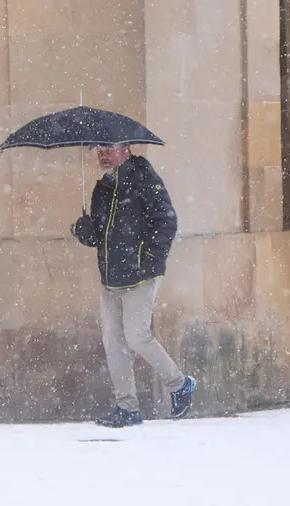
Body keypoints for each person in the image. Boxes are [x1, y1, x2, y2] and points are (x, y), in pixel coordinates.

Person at [71, 143, 196, 427]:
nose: (102, 153)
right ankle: (127, 407)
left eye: (108, 148)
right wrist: (84, 230)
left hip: (140, 274)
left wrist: (149, 257)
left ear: (125, 149)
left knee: (137, 336)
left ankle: (180, 384)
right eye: (98, 149)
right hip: (111, 276)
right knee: (114, 341)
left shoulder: (143, 178)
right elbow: (98, 235)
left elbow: (167, 221)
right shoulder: (102, 188)